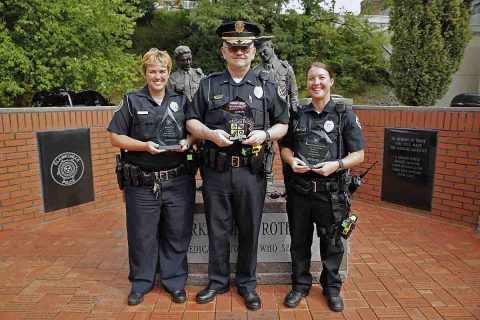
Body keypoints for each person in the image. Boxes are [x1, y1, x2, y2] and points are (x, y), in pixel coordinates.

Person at [186, 21, 289, 311]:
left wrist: (266, 134)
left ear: (253, 51)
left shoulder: (266, 87)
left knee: (249, 228)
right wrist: (208, 134)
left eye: (244, 47)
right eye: (233, 47)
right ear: (224, 51)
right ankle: (217, 282)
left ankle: (247, 284)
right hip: (216, 170)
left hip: (250, 171)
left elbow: (284, 123)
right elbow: (191, 120)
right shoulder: (208, 84)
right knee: (217, 228)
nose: (239, 51)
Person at [107, 48, 196, 306]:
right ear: (145, 73)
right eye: (152, 71)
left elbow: (193, 132)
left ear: (169, 73)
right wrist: (143, 146)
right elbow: (115, 137)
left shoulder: (181, 100)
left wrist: (187, 142)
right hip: (143, 182)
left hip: (178, 181)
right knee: (142, 235)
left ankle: (175, 282)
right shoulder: (133, 100)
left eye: (162, 71)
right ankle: (141, 282)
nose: (157, 76)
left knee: (177, 232)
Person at [280, 62, 364, 312]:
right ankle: (300, 285)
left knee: (332, 243)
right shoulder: (298, 115)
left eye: (321, 78)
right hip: (301, 192)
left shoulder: (343, 114)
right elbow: (284, 147)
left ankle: (331, 288)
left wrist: (337, 164)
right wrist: (290, 160)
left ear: (331, 81)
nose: (316, 83)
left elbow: (358, 154)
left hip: (331, 192)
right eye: (311, 79)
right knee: (299, 241)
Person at [253, 36, 299, 113]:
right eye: (260, 53)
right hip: (264, 115)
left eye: (264, 51)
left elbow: (293, 93)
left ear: (271, 47)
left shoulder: (286, 68)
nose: (262, 55)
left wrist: (295, 113)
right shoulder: (255, 72)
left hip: (283, 113)